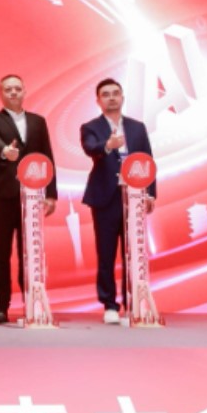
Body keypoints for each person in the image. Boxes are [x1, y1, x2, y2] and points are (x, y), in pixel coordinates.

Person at [0, 74, 57, 324]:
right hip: (3, 194)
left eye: (17, 89)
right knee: (1, 252)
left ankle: (32, 303)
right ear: (0, 94)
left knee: (30, 251)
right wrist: (5, 150)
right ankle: (1, 306)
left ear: (24, 92)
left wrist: (51, 194)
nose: (13, 93)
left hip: (32, 197)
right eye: (8, 89)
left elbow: (47, 156)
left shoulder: (38, 121)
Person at [80, 78, 157, 324]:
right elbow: (90, 148)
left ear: (122, 98)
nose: (111, 97)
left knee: (133, 253)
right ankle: (109, 305)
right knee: (106, 253)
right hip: (105, 197)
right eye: (106, 94)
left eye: (115, 93)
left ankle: (132, 303)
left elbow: (147, 159)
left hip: (134, 197)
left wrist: (150, 192)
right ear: (98, 100)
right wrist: (108, 145)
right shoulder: (90, 127)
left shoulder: (137, 127)